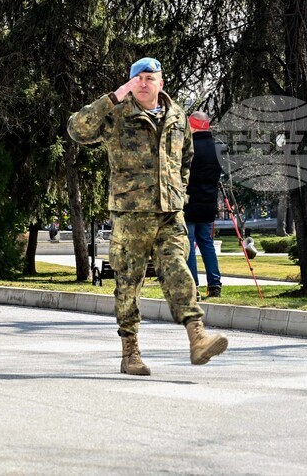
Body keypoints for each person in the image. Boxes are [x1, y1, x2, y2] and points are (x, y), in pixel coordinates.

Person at [67, 57, 228, 376]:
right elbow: (77, 129)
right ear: (130, 83)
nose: (143, 82)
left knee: (179, 272)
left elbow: (186, 159)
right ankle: (130, 353)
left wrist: (178, 194)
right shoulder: (116, 114)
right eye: (137, 78)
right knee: (128, 284)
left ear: (160, 82)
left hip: (170, 214)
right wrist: (112, 97)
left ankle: (197, 339)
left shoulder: (178, 116)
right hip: (130, 215)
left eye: (149, 77)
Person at [184, 111, 223, 299]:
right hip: (209, 202)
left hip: (190, 202)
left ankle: (194, 287)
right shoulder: (218, 147)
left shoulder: (189, 147)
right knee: (206, 242)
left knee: (189, 244)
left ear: (193, 125)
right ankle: (215, 284)